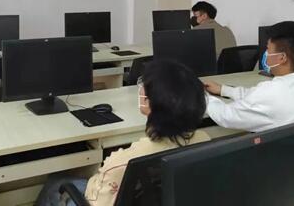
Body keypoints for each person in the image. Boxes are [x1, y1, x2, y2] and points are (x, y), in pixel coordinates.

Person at [35, 60, 210, 206]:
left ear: (149, 102)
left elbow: (96, 202)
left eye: (144, 86)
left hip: (96, 199)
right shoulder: (205, 141)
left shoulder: (121, 163)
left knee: (55, 183)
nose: (141, 88)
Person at [204, 21, 294, 132]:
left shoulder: (273, 92)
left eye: (268, 49)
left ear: (282, 58)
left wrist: (202, 96)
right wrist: (224, 90)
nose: (266, 54)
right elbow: (257, 97)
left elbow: (226, 115)